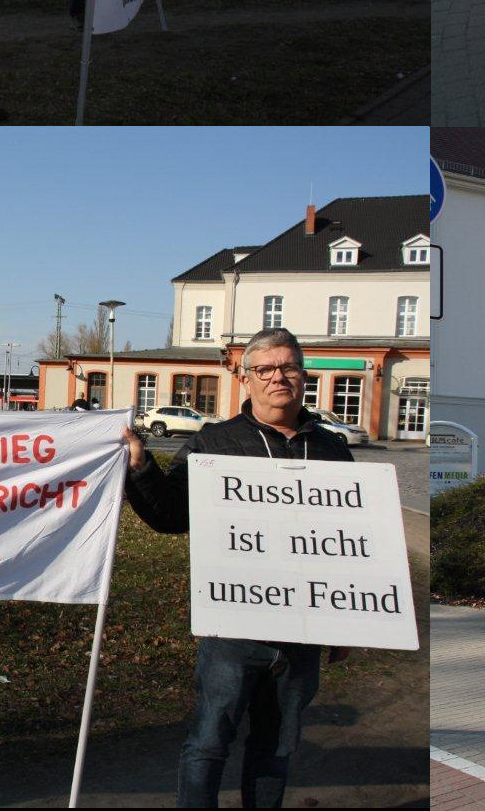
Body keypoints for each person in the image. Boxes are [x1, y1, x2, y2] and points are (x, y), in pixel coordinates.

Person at [120, 329, 353, 807]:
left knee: (276, 748)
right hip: (234, 629)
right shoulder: (217, 443)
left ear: (304, 375)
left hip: (304, 631)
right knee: (208, 744)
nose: (278, 378)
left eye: (288, 367)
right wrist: (141, 470)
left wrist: (348, 619)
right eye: (265, 369)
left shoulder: (333, 449)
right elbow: (170, 515)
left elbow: (353, 540)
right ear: (245, 379)